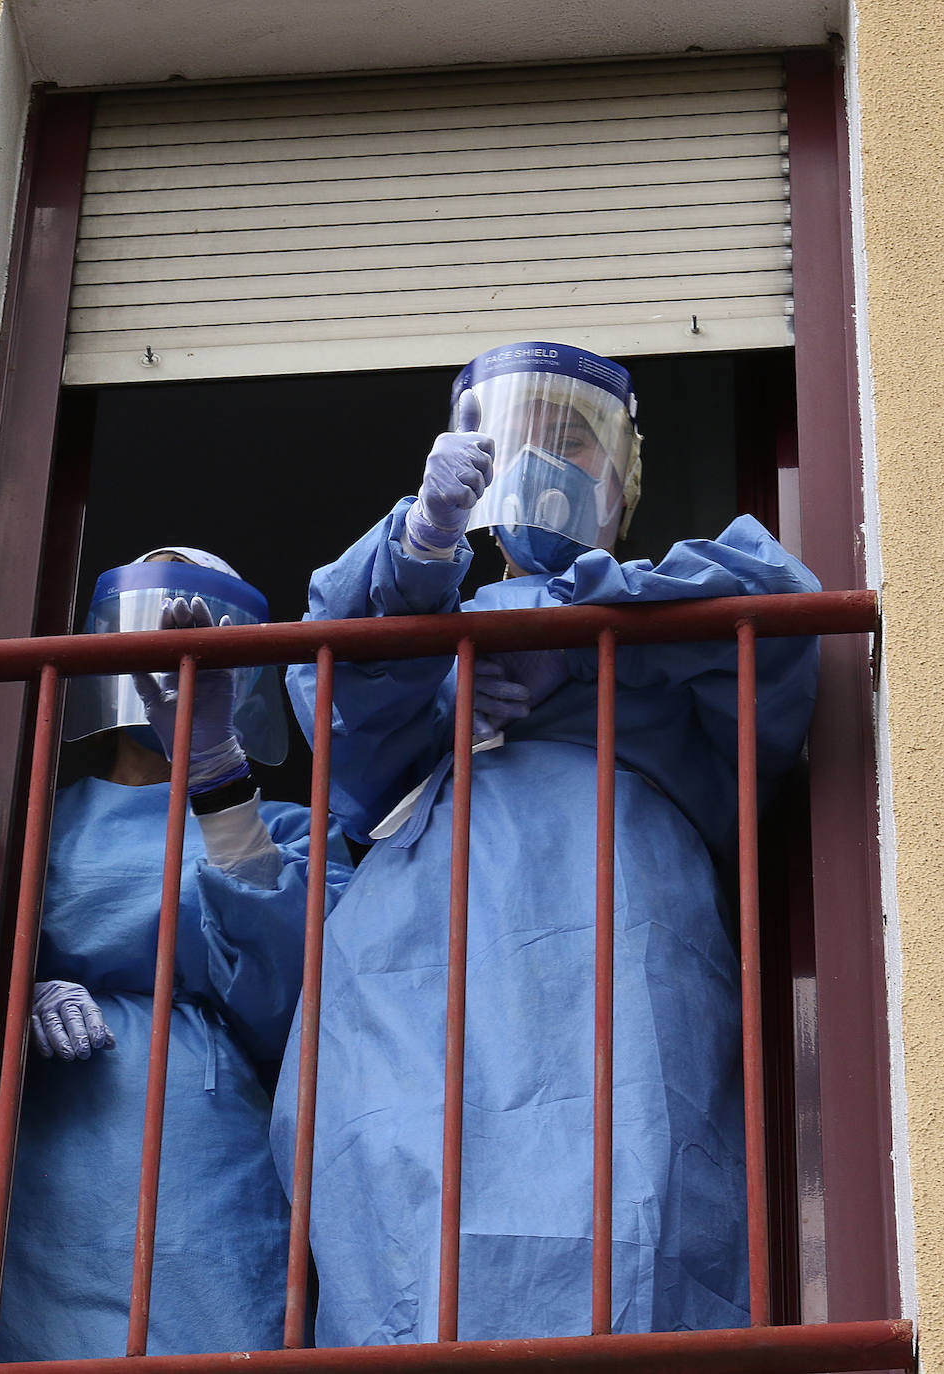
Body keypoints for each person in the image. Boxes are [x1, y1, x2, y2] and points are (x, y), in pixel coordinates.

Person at [269, 343, 821, 1345]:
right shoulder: (430, 606)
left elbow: (779, 637)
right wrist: (423, 545)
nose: (542, 466)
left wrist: (593, 629)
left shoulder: (677, 593)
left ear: (621, 474)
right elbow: (335, 711)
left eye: (573, 445)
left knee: (629, 1183)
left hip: (617, 920)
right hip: (419, 940)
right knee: (406, 1180)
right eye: (520, 442)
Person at [0, 547, 353, 1360]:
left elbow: (297, 1001)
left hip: (201, 1142)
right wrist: (18, 994)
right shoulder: (28, 822)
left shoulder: (292, 831)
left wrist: (218, 786)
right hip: (43, 1139)